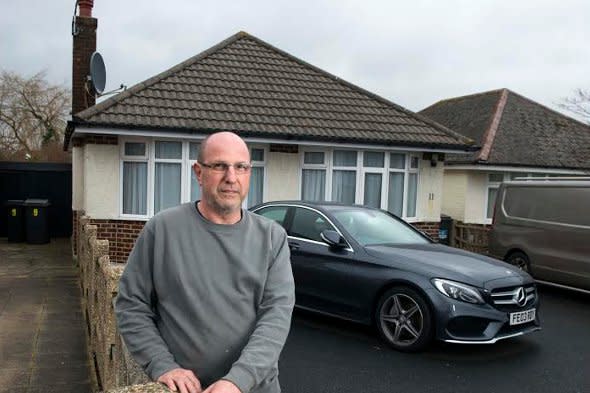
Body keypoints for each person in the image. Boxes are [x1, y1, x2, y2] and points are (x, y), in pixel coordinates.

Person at [115, 132, 295, 393]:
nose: (231, 177)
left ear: (249, 173)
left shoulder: (272, 237)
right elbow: (131, 305)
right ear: (198, 173)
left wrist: (238, 380)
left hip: (255, 388)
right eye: (220, 165)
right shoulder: (163, 229)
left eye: (240, 167)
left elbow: (276, 316)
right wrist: (163, 365)